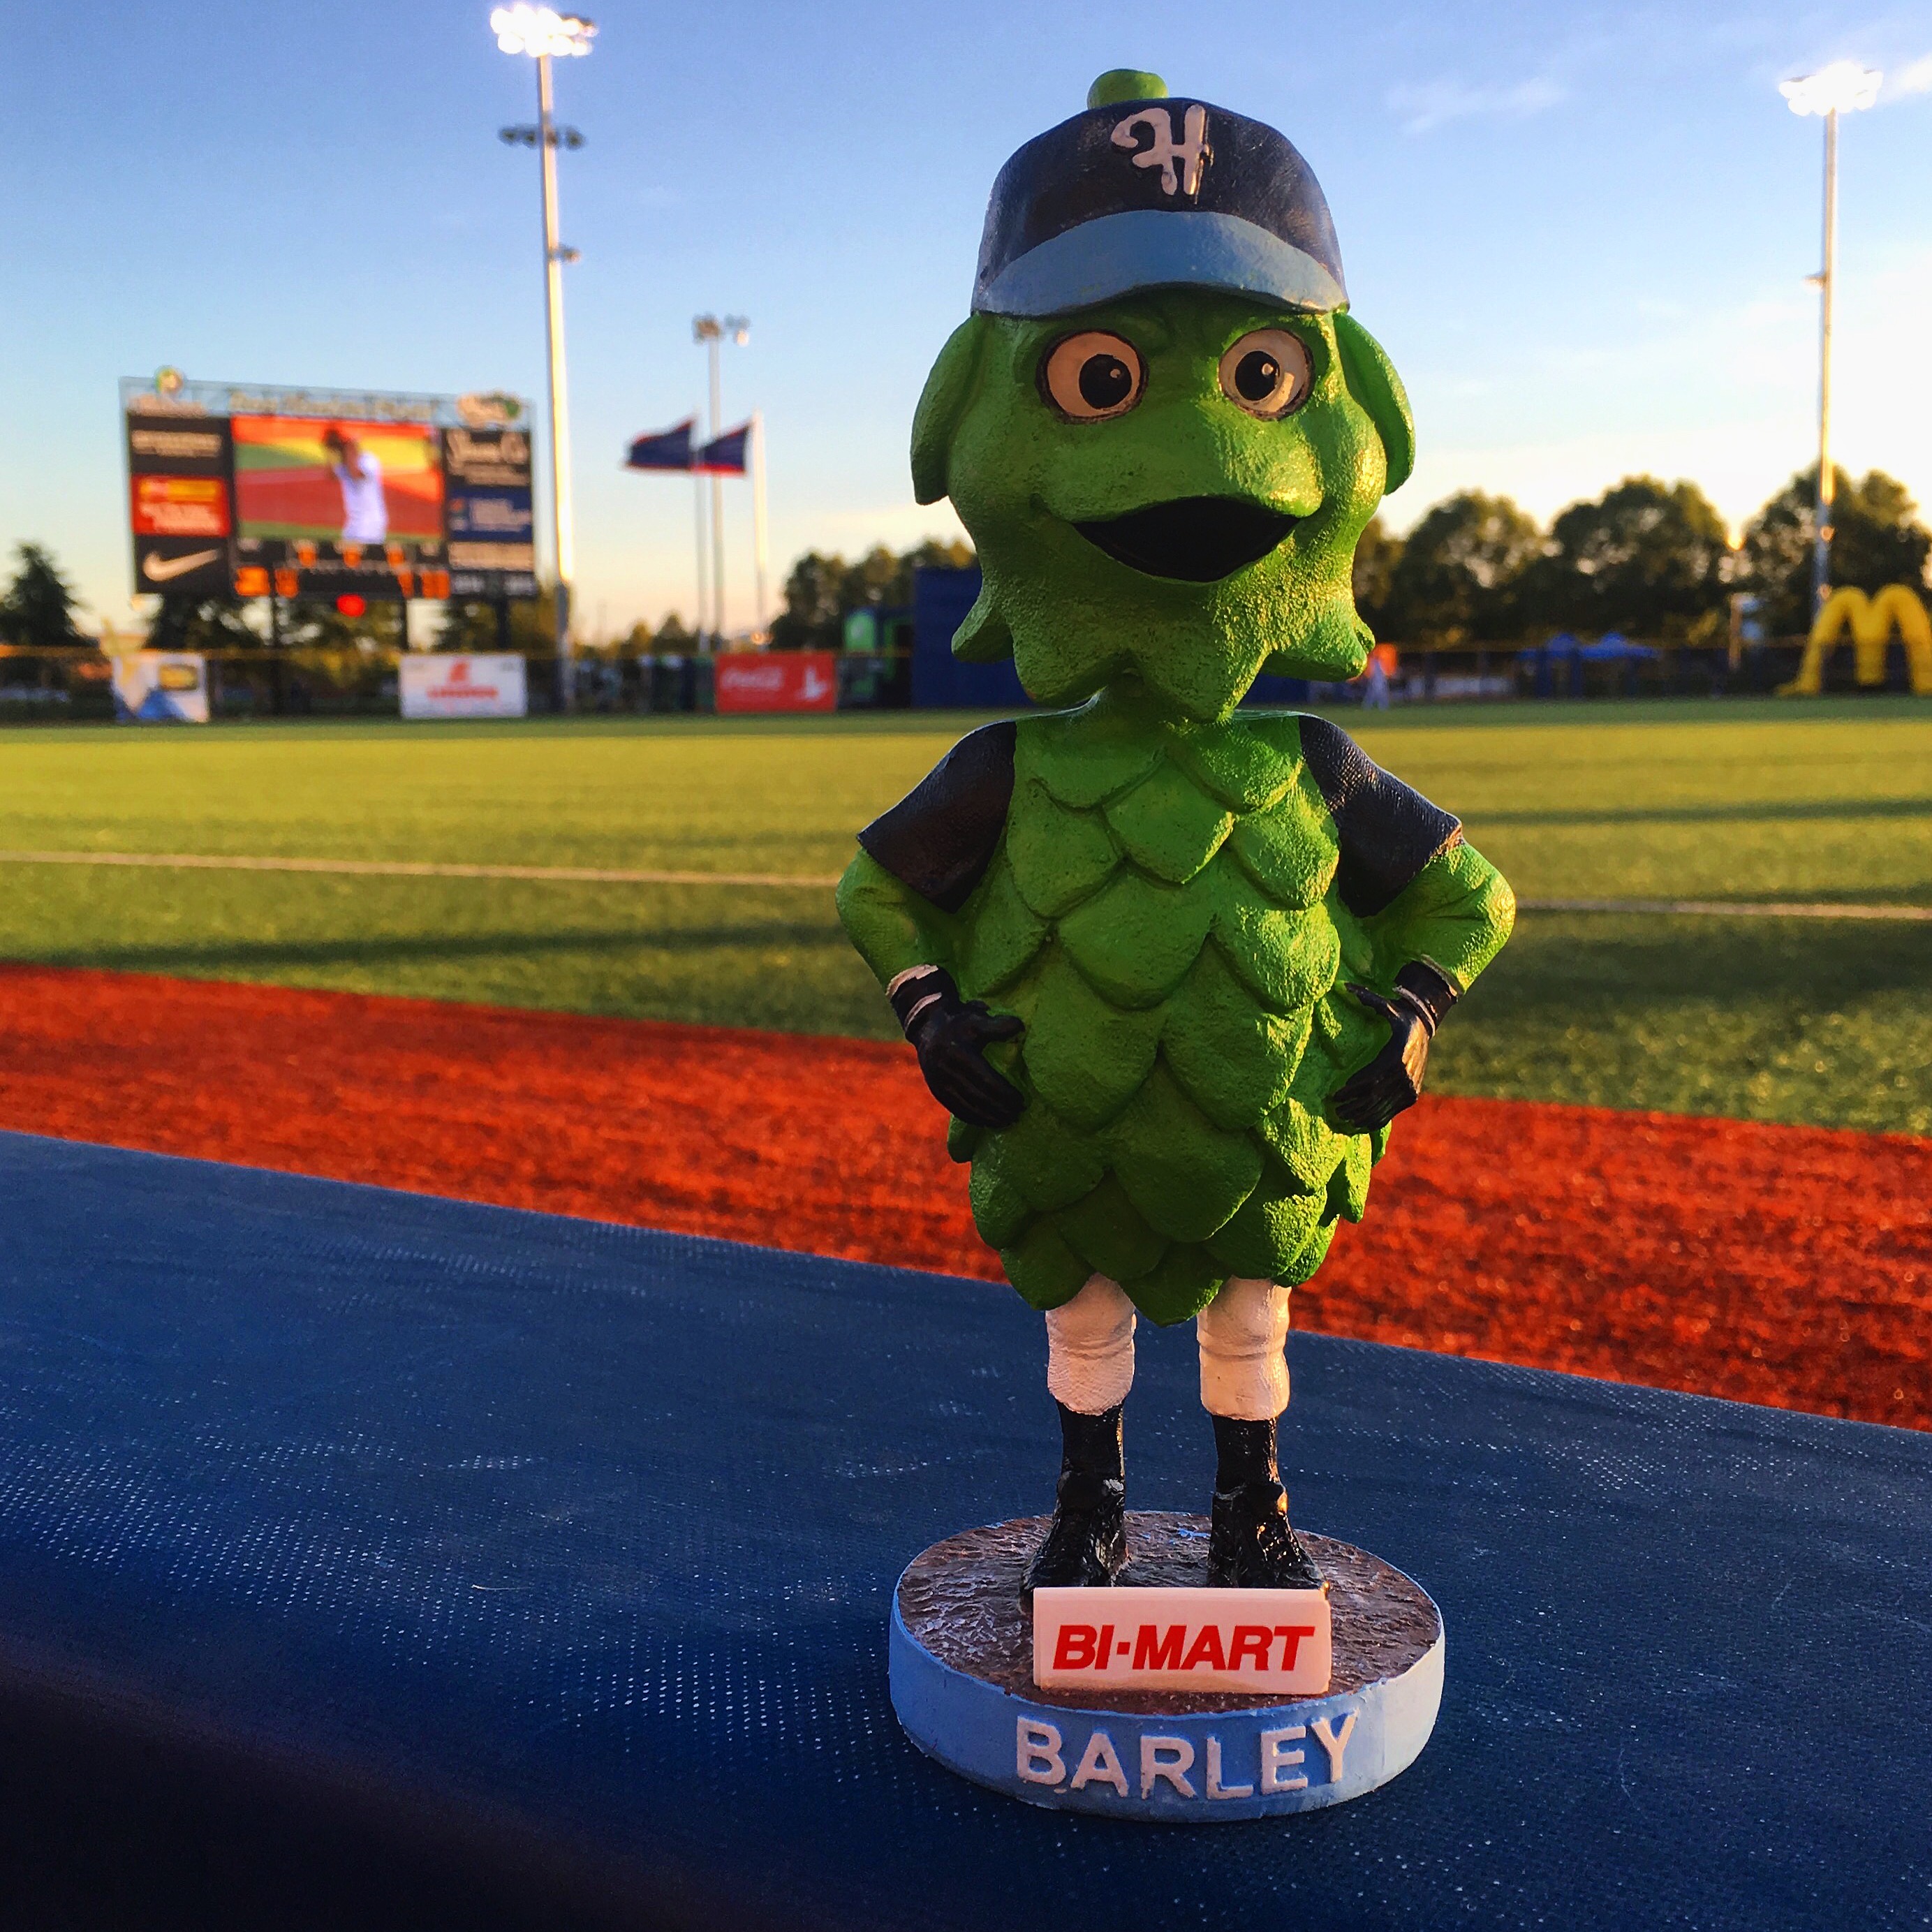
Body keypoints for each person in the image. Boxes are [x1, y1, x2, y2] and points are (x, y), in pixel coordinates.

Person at [321, 427, 388, 545]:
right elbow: (331, 476)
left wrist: (347, 447)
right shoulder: (346, 465)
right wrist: (330, 452)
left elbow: (356, 474)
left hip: (370, 524)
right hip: (354, 523)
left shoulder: (369, 460)